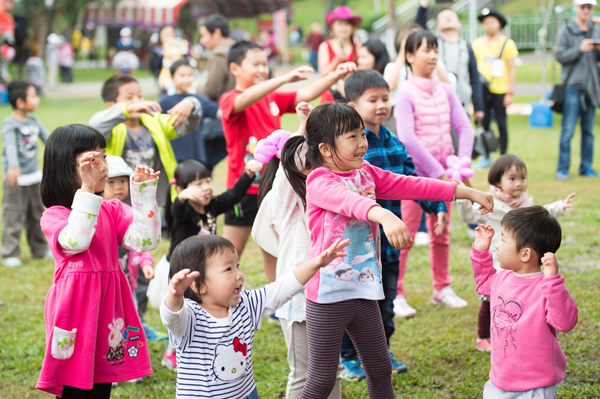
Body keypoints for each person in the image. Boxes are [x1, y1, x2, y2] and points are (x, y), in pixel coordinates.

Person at [293, 102, 493, 398]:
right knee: (322, 379)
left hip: (364, 291)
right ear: (324, 148)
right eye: (352, 137)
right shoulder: (319, 181)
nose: (363, 144)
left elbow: (412, 185)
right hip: (327, 297)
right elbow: (351, 202)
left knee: (380, 369)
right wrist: (384, 215)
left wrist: (465, 191)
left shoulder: (366, 173)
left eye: (363, 135)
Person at [337, 70, 450, 379]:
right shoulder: (347, 148)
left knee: (385, 301)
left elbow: (411, 181)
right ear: (351, 105)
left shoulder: (395, 143)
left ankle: (380, 350)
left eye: (385, 98)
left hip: (388, 246)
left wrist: (437, 205)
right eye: (372, 100)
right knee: (354, 302)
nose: (381, 105)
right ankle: (348, 358)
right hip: (357, 243)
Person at [35, 124, 161, 397]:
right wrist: (88, 189)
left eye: (104, 157)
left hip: (109, 308)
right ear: (64, 168)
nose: (103, 166)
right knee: (73, 384)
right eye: (92, 160)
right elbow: (77, 240)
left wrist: (144, 195)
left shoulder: (112, 209)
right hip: (74, 311)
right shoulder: (55, 216)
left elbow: (145, 241)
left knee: (102, 381)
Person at [219, 39, 355, 271]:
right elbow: (242, 100)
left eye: (265, 63)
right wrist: (282, 79)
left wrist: (335, 75)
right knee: (228, 253)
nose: (263, 69)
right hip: (242, 189)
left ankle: (277, 302)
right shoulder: (230, 98)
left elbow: (309, 92)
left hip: (274, 186)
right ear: (235, 69)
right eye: (256, 64)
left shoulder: (272, 97)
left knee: (275, 249)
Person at [160, 234, 349, 399]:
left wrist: (315, 264)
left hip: (247, 393)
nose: (239, 275)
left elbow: (281, 288)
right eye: (228, 269)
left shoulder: (246, 303)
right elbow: (172, 317)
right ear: (198, 286)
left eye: (238, 266)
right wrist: (175, 295)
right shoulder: (190, 317)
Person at [252, 103, 343, 399]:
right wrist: (303, 126)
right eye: (307, 164)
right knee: (304, 374)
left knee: (332, 370)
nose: (314, 169)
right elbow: (291, 163)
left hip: (332, 293)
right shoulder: (286, 203)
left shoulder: (331, 192)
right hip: (300, 299)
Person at [456, 154, 576, 352]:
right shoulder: (489, 202)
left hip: (521, 266)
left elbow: (542, 215)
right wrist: (463, 198)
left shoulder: (525, 202)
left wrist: (559, 207)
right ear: (497, 181)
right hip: (497, 262)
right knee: (489, 302)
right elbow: (468, 215)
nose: (519, 183)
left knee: (518, 302)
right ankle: (483, 336)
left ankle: (515, 329)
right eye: (512, 178)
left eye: (523, 178)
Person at [395, 30, 475, 313]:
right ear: (409, 56)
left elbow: (465, 128)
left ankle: (442, 287)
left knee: (441, 233)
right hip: (415, 177)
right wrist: (440, 173)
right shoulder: (405, 92)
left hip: (446, 175)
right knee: (403, 235)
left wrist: (459, 165)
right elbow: (407, 137)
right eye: (425, 50)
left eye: (434, 50)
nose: (432, 56)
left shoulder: (446, 89)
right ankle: (397, 294)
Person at [157, 158, 260, 370]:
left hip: (203, 271)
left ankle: (204, 344)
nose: (205, 187)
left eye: (207, 181)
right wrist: (182, 199)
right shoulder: (184, 212)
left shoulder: (212, 205)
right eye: (198, 184)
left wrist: (248, 173)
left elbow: (233, 196)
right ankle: (171, 352)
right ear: (181, 189)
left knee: (202, 308)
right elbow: (176, 212)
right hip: (182, 274)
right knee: (182, 311)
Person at [471, 209, 578, 398]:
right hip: (500, 379)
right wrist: (480, 252)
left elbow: (566, 322)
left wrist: (553, 283)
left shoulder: (546, 288)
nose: (497, 246)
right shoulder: (501, 279)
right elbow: (483, 282)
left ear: (525, 253)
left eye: (503, 240)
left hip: (535, 385)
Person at [89, 74, 202, 207]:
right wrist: (128, 109)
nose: (138, 101)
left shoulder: (155, 121)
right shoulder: (111, 129)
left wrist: (191, 103)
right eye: (129, 97)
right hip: (120, 200)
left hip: (152, 199)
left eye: (140, 95)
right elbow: (95, 124)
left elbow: (190, 124)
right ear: (111, 106)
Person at [102, 155, 155, 385]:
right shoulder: (100, 214)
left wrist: (146, 263)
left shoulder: (131, 211)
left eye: (122, 182)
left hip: (127, 285)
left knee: (128, 321)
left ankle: (130, 365)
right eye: (111, 183)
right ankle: (110, 367)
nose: (117, 187)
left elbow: (141, 244)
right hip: (105, 287)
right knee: (108, 326)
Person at [1, 80, 51, 268]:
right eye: (33, 96)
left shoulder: (33, 121)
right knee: (13, 215)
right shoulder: (9, 124)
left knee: (37, 215)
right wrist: (13, 166)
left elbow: (49, 140)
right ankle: (10, 252)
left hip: (34, 177)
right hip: (15, 179)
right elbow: (10, 146)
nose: (37, 100)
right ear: (20, 102)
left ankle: (39, 249)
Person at [555, 0, 600, 180]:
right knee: (568, 130)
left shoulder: (595, 28)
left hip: (592, 86)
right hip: (573, 86)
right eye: (583, 7)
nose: (586, 10)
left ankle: (586, 167)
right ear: (576, 8)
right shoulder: (566, 29)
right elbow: (559, 55)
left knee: (588, 131)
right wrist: (579, 49)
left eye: (589, 7)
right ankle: (563, 168)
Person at [472, 8, 518, 168]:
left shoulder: (507, 43)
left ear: (499, 24)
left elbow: (512, 68)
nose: (489, 25)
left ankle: (503, 155)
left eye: (492, 22)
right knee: (484, 123)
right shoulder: (477, 44)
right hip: (483, 89)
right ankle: (485, 155)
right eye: (486, 23)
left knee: (501, 123)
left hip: (500, 89)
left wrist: (510, 91)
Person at [158, 60, 221, 170]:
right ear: (172, 78)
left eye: (190, 75)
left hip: (197, 155)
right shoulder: (164, 102)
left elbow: (220, 113)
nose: (187, 79)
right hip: (174, 156)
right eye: (182, 76)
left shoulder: (200, 99)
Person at [318, 5, 361, 103]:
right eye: (340, 24)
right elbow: (323, 74)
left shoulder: (358, 46)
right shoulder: (325, 46)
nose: (343, 28)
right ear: (332, 26)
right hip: (330, 97)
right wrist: (337, 59)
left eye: (347, 24)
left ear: (352, 27)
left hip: (352, 96)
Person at [199, 13, 236, 103]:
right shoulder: (237, 48)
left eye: (204, 35)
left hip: (229, 108)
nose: (201, 40)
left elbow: (210, 90)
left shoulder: (218, 55)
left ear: (216, 33)